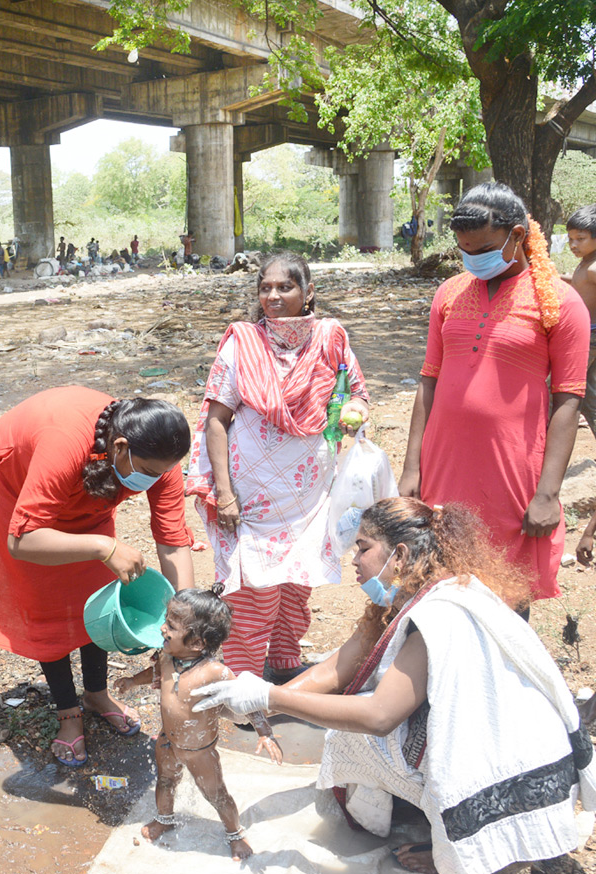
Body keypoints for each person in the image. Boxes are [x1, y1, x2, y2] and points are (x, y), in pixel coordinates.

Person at [192, 498, 596, 874]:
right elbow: (339, 666)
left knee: (351, 733)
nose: (353, 560)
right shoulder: (407, 596)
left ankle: (463, 843)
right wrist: (256, 706)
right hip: (506, 745)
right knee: (354, 720)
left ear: (398, 556)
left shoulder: (439, 614)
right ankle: (418, 807)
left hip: (509, 765)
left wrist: (272, 697)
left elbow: (380, 717)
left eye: (363, 548)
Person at [0, 388, 195, 766]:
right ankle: (68, 710)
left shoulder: (159, 458)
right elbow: (23, 539)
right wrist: (104, 547)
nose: (155, 479)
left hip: (89, 486)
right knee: (46, 594)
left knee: (95, 589)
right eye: (148, 472)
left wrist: (186, 620)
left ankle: (96, 694)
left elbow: (173, 540)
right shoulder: (65, 444)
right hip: (19, 484)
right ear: (119, 447)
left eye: (162, 472)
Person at [398, 183, 588, 610]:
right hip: (444, 463)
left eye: (482, 247)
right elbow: (428, 379)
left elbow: (568, 398)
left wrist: (548, 493)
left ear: (517, 235)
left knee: (504, 586)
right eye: (464, 249)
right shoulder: (449, 293)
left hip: (510, 469)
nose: (472, 258)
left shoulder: (559, 301)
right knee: (439, 578)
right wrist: (413, 465)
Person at [187, 250, 369, 681]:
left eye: (284, 286)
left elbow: (357, 392)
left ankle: (285, 669)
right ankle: (244, 687)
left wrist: (354, 411)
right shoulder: (243, 343)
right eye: (265, 287)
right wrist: (225, 494)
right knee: (253, 593)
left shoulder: (330, 336)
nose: (273, 295)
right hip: (251, 501)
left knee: (295, 587)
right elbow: (216, 421)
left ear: (308, 293)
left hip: (308, 498)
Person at [114, 587, 281, 858]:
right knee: (165, 781)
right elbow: (154, 672)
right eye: (165, 621)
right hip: (167, 741)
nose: (162, 629)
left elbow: (246, 700)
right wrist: (133, 681)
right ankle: (164, 820)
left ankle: (235, 834)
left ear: (197, 644)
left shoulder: (214, 672)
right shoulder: (167, 657)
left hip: (200, 751)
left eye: (171, 626)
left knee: (216, 795)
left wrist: (264, 732)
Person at [562, 205, 596, 439]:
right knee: (591, 399)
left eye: (580, 239)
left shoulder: (593, 268)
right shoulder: (586, 261)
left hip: (590, 338)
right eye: (570, 239)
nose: (574, 244)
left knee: (559, 387)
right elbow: (578, 284)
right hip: (589, 336)